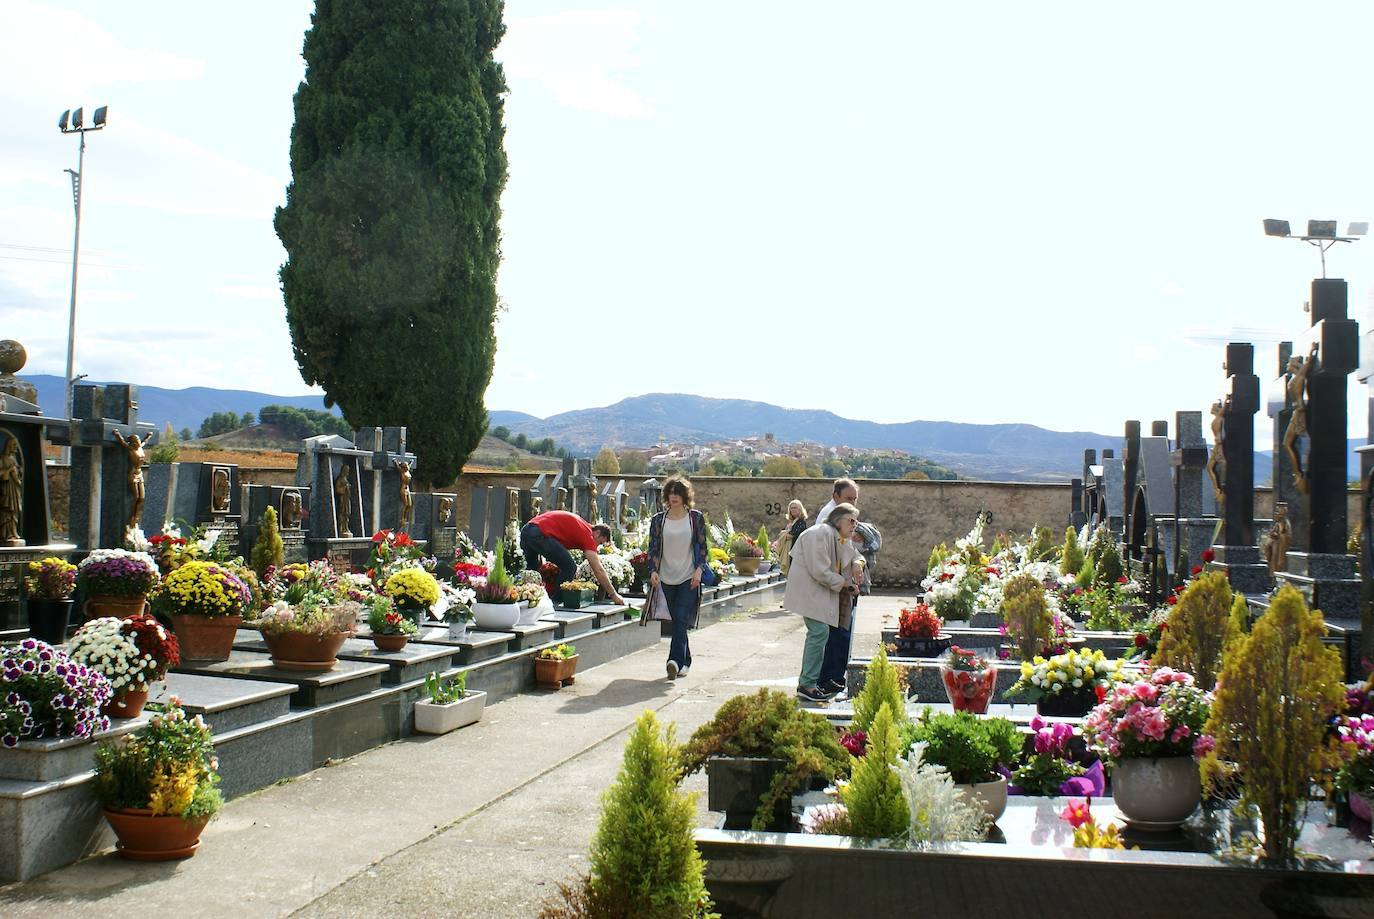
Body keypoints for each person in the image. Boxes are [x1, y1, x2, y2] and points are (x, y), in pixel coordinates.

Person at [784, 503, 862, 703]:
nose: (855, 525)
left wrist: (857, 564)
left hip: (821, 593)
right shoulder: (820, 533)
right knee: (819, 632)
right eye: (851, 520)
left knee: (821, 633)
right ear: (838, 520)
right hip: (810, 591)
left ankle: (811, 682)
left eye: (856, 521)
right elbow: (820, 570)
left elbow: (855, 555)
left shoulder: (839, 537)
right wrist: (844, 583)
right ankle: (807, 684)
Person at [645, 474, 708, 680]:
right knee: (677, 621)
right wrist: (653, 571)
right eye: (671, 493)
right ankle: (685, 660)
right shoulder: (658, 520)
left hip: (689, 576)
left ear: (685, 496)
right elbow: (653, 549)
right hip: (665, 576)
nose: (674, 496)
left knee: (681, 617)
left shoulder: (695, 518)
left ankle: (673, 661)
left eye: (678, 493)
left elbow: (702, 547)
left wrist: (699, 569)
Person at [520, 509, 626, 606]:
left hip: (527, 529)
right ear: (597, 533)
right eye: (600, 542)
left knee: (532, 572)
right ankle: (555, 603)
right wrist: (613, 595)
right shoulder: (588, 536)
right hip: (539, 533)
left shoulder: (583, 527)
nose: (597, 547)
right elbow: (598, 569)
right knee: (570, 567)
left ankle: (527, 601)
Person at [814, 478, 860, 696]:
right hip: (834, 585)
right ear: (835, 496)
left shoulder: (846, 516)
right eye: (848, 498)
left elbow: (849, 549)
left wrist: (858, 562)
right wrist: (844, 582)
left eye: (855, 498)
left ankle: (834, 676)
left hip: (841, 584)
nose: (853, 502)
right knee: (833, 634)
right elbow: (829, 558)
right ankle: (828, 678)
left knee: (840, 632)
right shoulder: (828, 519)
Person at [777, 500, 808, 575]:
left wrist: (785, 534)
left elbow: (794, 535)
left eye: (795, 508)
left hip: (796, 551)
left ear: (800, 509)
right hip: (790, 550)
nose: (793, 510)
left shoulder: (801, 522)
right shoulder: (792, 522)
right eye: (791, 508)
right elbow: (788, 535)